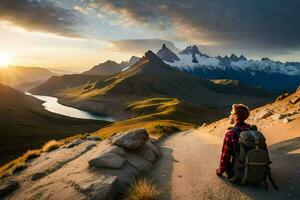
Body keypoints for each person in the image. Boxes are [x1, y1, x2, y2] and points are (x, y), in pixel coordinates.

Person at [216, 104, 251, 179]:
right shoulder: (252, 130)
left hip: (238, 173)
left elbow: (225, 157)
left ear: (235, 116)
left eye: (231, 113)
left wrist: (220, 171)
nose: (230, 116)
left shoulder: (231, 133)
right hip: (256, 171)